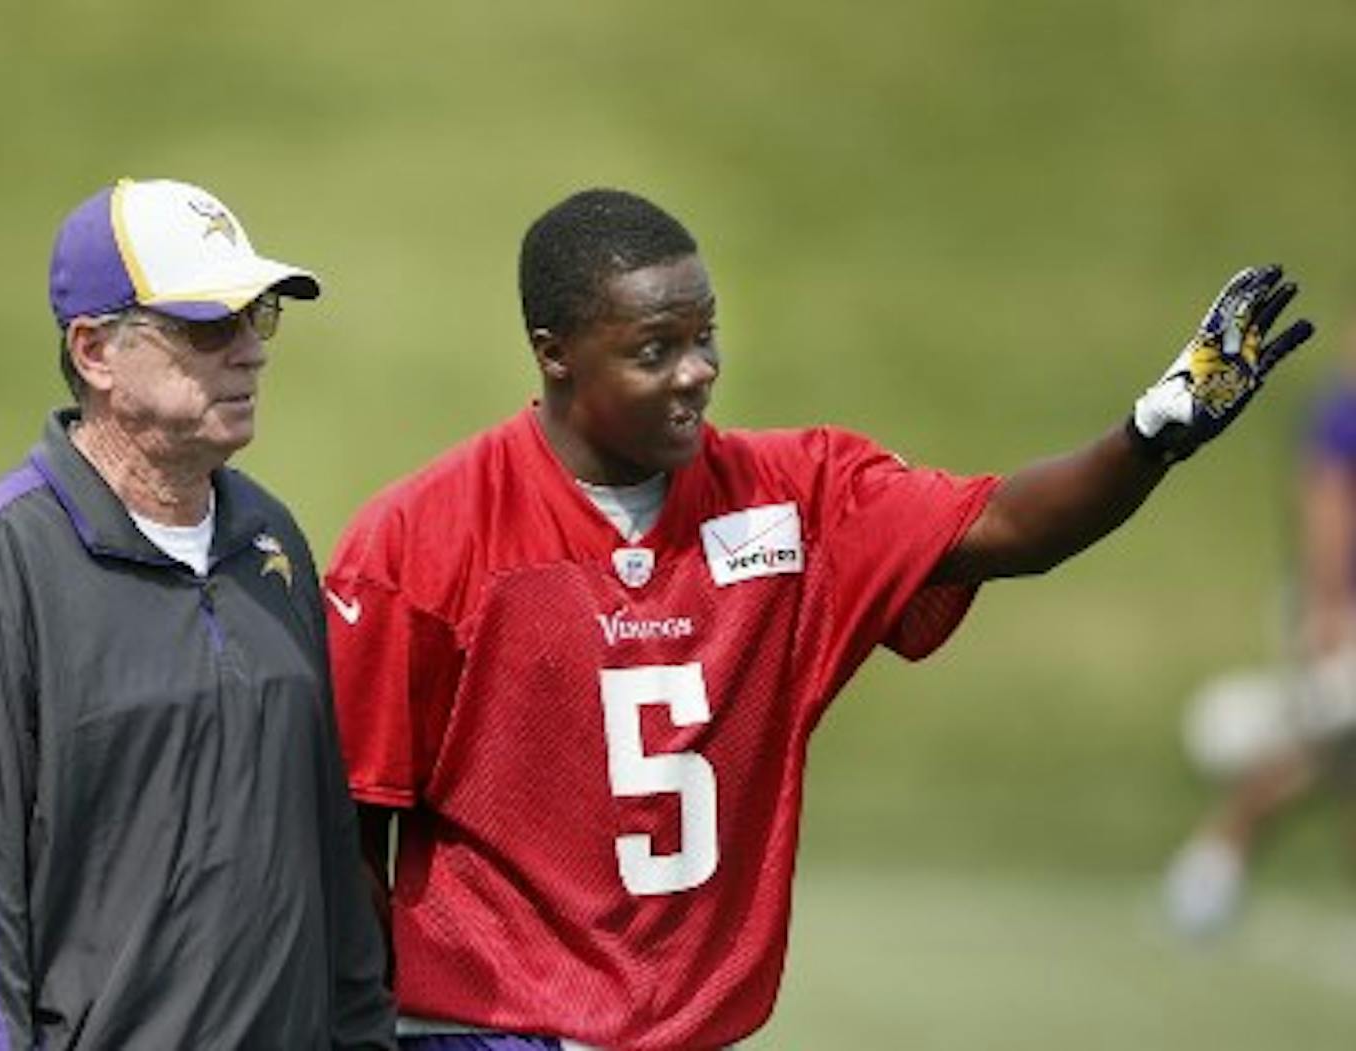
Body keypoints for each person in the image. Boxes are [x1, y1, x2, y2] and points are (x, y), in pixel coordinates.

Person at [324, 188, 1312, 1050]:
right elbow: (352, 828)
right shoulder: (426, 536)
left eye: (703, 336)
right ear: (554, 357)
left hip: (682, 1029)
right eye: (652, 350)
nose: (695, 371)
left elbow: (1010, 528)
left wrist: (1152, 433)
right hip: (486, 1028)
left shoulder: (794, 496)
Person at [0, 178, 396, 1049]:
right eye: (208, 326)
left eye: (257, 318)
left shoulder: (272, 540)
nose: (251, 354)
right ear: (96, 351)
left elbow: (332, 860)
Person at [1164, 320, 1356, 937]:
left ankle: (1214, 862)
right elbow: (1327, 505)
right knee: (1324, 754)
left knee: (1335, 764)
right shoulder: (1344, 412)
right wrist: (1327, 607)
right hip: (1346, 610)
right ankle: (1215, 859)